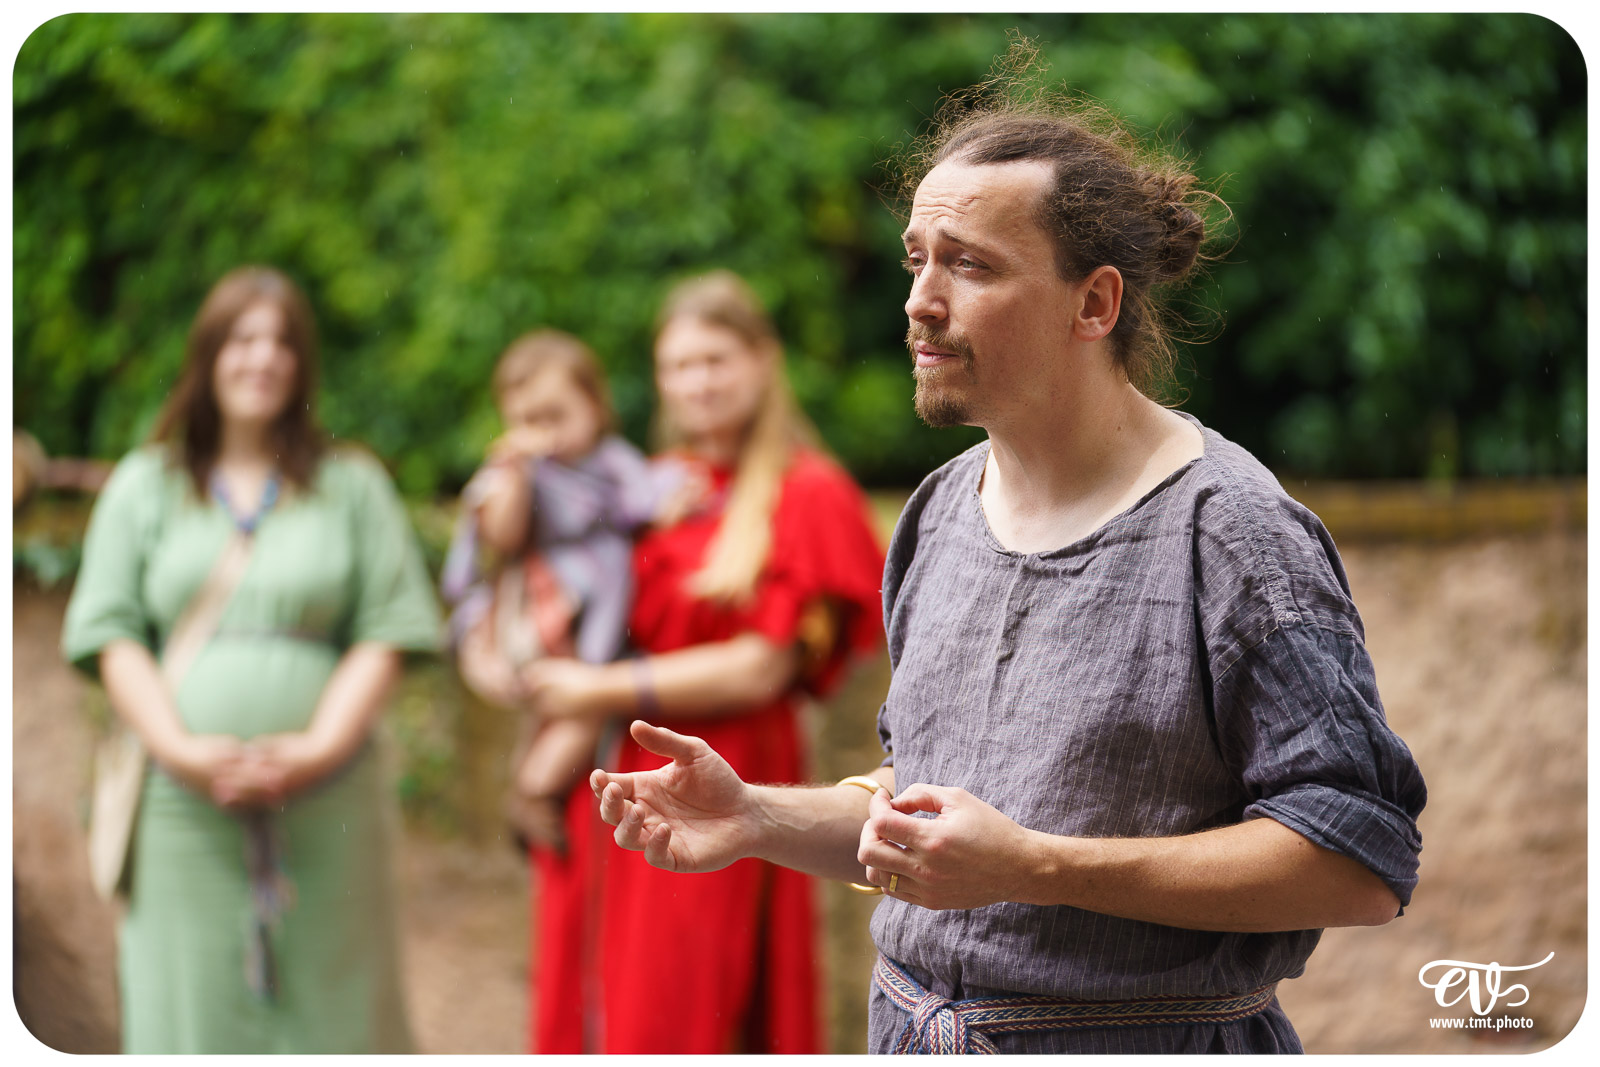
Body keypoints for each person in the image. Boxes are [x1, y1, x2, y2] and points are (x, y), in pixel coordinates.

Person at [588, 74, 1428, 1054]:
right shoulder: (937, 511)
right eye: (916, 259)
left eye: (969, 265)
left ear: (1094, 302)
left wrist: (1037, 865)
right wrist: (755, 814)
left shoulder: (1234, 534)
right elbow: (918, 801)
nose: (919, 302)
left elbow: (1359, 860)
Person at [60, 266, 440, 1053]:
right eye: (242, 339)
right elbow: (111, 631)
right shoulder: (145, 485)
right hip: (179, 803)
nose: (262, 357)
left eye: (281, 342)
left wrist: (320, 746)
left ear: (303, 363)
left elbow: (389, 627)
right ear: (207, 355)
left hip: (330, 798)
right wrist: (180, 749)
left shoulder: (352, 486)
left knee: (339, 1004)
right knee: (189, 1003)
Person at [519, 271, 886, 1053]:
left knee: (682, 1008)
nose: (698, 381)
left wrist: (596, 688)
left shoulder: (807, 490)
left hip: (724, 774)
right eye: (679, 365)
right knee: (592, 998)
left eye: (716, 359)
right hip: (614, 772)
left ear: (763, 360)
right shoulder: (651, 488)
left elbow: (762, 667)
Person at [440, 329, 672, 849]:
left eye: (556, 415)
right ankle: (535, 789)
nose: (543, 433)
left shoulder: (613, 460)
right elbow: (501, 534)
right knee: (583, 699)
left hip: (598, 604)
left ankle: (534, 788)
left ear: (595, 407)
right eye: (527, 420)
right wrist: (516, 473)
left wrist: (669, 504)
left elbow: (647, 501)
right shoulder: (517, 471)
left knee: (574, 701)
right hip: (545, 609)